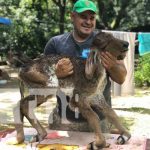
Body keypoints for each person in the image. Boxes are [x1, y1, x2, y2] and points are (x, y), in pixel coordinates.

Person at [44, 0, 127, 131]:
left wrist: (112, 65)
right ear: (72, 16)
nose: (88, 22)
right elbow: (43, 80)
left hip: (99, 121)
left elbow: (121, 78)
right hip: (64, 120)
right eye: (83, 17)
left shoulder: (106, 41)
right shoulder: (55, 43)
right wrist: (56, 74)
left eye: (92, 18)